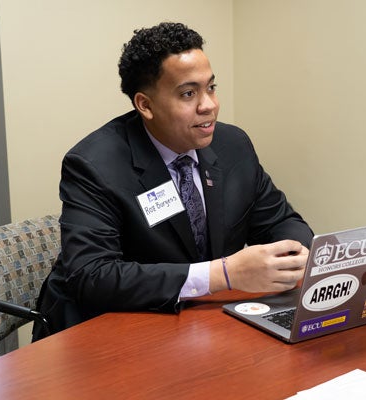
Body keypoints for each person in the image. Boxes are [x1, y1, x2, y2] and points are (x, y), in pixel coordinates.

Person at [33, 22, 313, 340]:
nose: (208, 105)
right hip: (109, 331)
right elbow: (92, 276)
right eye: (188, 93)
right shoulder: (94, 165)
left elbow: (282, 221)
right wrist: (223, 274)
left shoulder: (232, 145)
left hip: (196, 326)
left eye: (211, 87)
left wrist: (297, 257)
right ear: (145, 105)